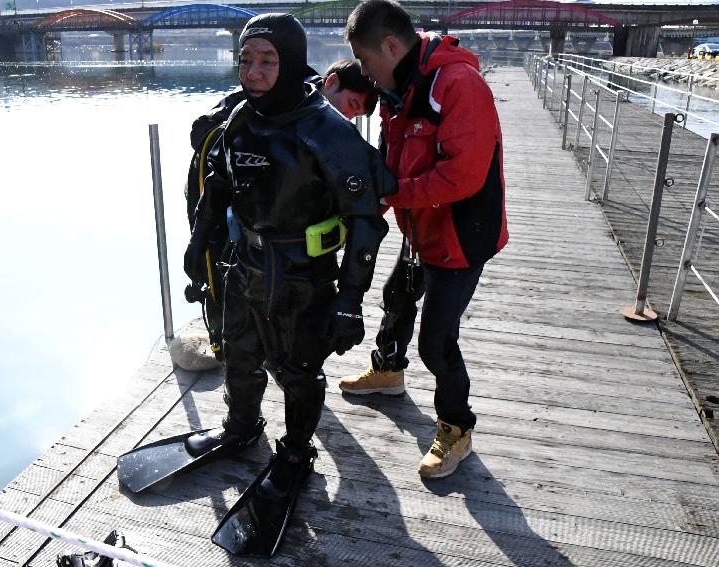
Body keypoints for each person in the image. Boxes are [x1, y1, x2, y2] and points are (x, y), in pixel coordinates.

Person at [118, 13, 395, 557]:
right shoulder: (240, 120)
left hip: (301, 277)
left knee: (298, 370)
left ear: (289, 62)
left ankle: (294, 453)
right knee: (240, 354)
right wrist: (200, 244)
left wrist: (349, 302)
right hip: (244, 264)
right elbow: (216, 188)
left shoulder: (326, 131)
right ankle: (241, 426)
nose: (254, 71)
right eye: (246, 60)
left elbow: (366, 219)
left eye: (267, 61)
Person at [339, 0, 508, 480]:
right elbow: (393, 166)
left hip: (460, 236)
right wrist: (367, 201)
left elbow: (463, 176)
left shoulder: (457, 85)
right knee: (397, 296)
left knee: (437, 342)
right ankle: (389, 372)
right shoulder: (401, 89)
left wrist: (393, 193)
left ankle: (457, 427)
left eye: (366, 61)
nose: (365, 74)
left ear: (390, 46)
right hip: (422, 228)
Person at [183, 60, 379, 358]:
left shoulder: (329, 130)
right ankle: (223, 343)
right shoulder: (281, 91)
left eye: (356, 114)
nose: (348, 117)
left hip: (287, 250)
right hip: (224, 200)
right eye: (350, 104)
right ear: (331, 82)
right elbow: (201, 131)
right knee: (219, 270)